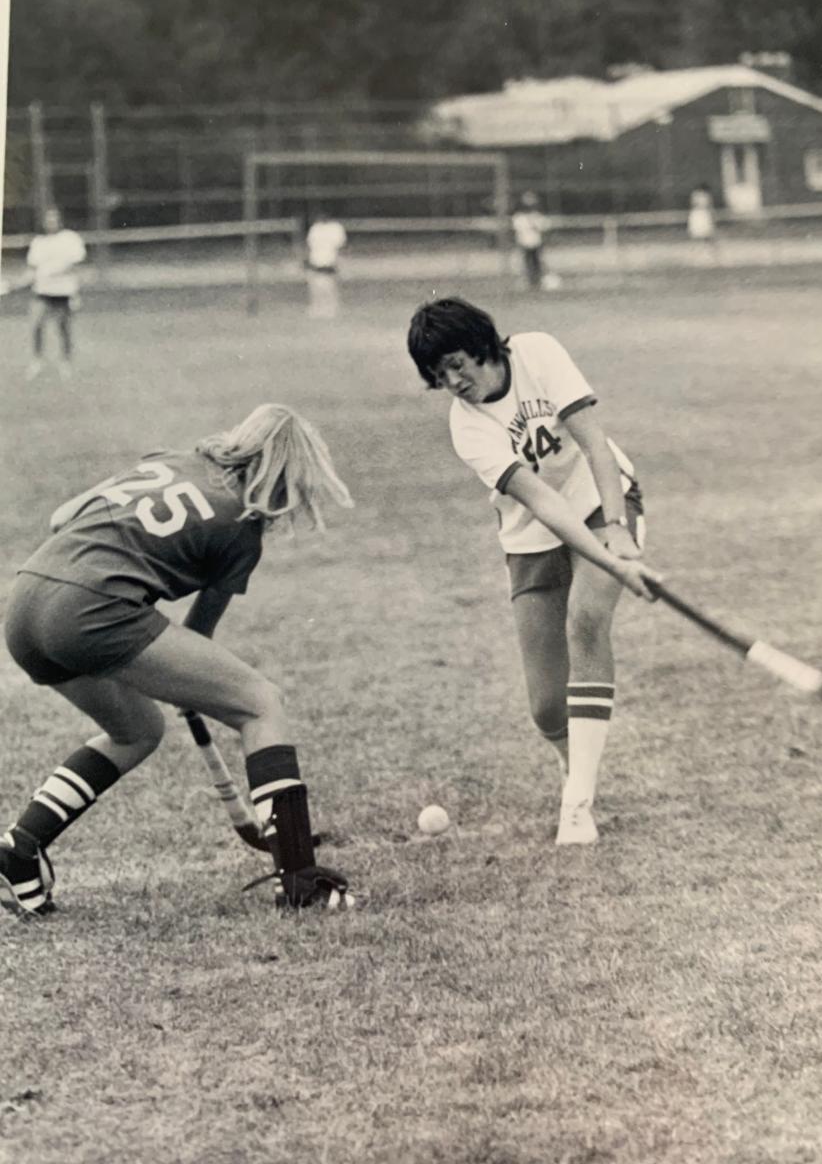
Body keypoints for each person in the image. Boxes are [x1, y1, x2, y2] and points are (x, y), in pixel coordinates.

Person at [0, 403, 356, 918]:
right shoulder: (241, 528)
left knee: (138, 729)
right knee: (261, 704)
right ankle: (299, 878)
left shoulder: (171, 460)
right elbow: (199, 633)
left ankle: (20, 849)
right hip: (89, 610)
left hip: (26, 604)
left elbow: (62, 517)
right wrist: (190, 688)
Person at [407, 297, 659, 847]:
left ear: (482, 347)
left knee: (588, 621)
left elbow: (594, 444)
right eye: (438, 374)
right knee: (547, 707)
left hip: (601, 498)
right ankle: (575, 773)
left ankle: (578, 804)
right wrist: (610, 559)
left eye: (457, 364)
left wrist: (615, 529)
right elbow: (543, 502)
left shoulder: (538, 352)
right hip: (533, 532)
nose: (452, 381)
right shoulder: (467, 427)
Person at [25, 205, 87, 379]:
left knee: (63, 328)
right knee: (36, 324)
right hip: (42, 292)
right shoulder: (38, 242)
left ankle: (65, 361)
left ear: (60, 220)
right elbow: (32, 269)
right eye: (48, 219)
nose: (51, 222)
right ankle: (37, 361)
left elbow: (74, 262)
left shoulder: (70, 238)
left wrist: (53, 271)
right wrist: (21, 281)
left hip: (64, 292)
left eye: (54, 218)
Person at [304, 209, 347, 319]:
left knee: (329, 287)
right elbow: (310, 245)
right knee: (316, 288)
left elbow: (340, 246)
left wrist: (340, 262)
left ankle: (331, 309)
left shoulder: (335, 228)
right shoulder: (316, 228)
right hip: (316, 262)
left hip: (329, 262)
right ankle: (318, 308)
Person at [511, 192, 551, 290]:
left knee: (537, 263)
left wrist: (535, 223)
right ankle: (529, 282)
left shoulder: (537, 216)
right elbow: (518, 229)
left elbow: (544, 227)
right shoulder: (519, 217)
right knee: (526, 263)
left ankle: (538, 282)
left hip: (536, 243)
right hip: (524, 243)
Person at [686, 184, 717, 263]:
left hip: (700, 215)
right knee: (705, 237)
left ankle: (710, 254)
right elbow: (708, 206)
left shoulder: (696, 195)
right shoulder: (702, 195)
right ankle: (710, 254)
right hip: (700, 215)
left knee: (704, 237)